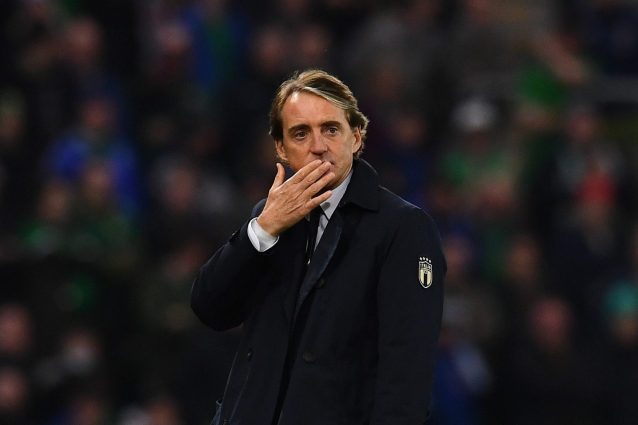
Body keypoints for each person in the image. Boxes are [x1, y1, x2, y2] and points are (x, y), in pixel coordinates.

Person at [191, 69, 446, 425]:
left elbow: (407, 375)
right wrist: (262, 230)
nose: (318, 145)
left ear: (356, 137)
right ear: (281, 148)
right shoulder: (268, 219)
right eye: (301, 133)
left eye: (331, 129)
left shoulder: (402, 228)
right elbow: (211, 309)